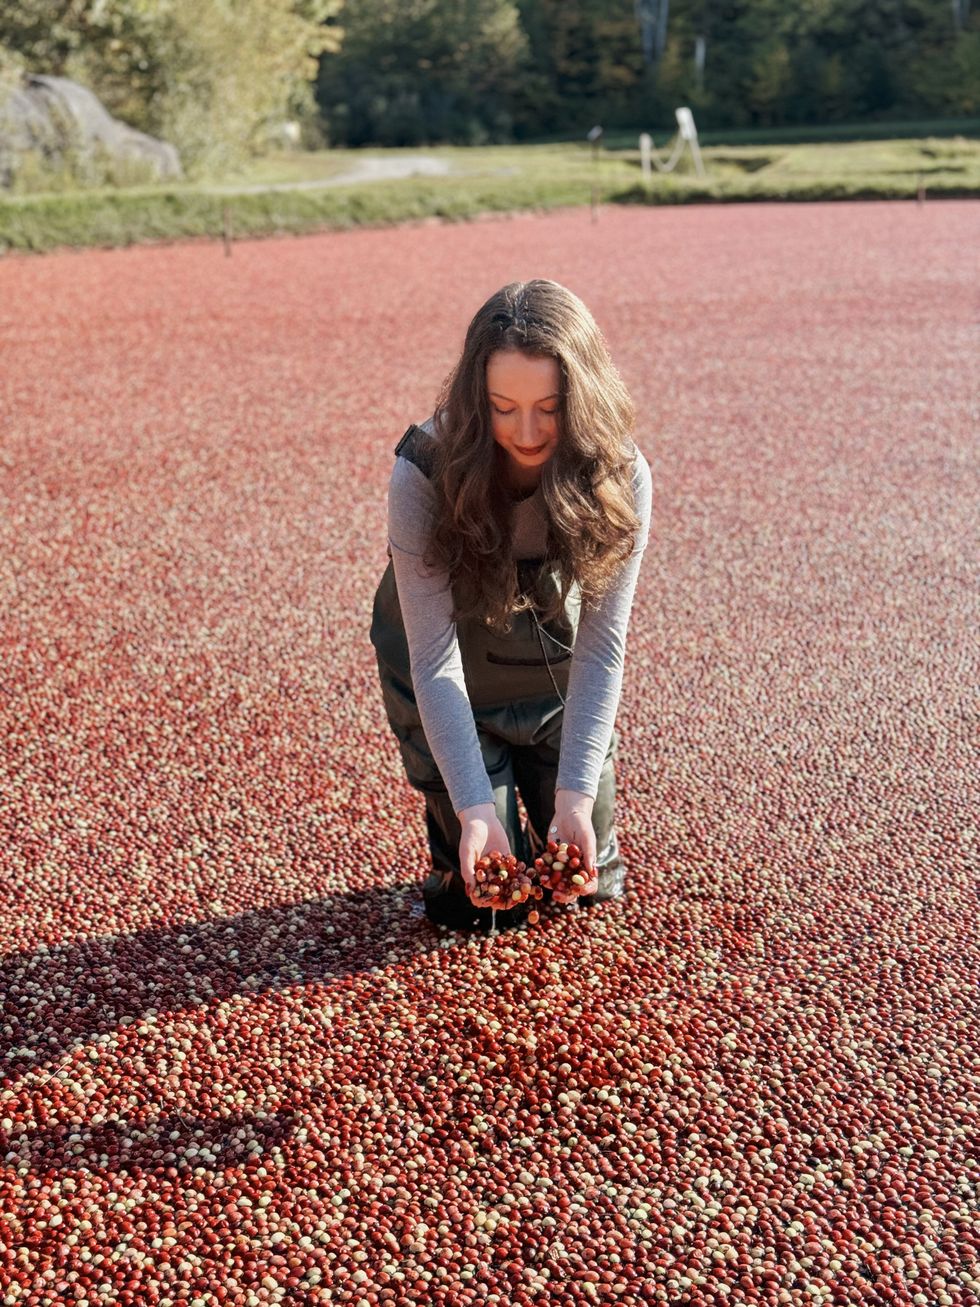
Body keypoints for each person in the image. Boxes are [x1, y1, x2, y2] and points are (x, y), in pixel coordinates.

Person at [370, 279, 652, 930]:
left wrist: (577, 796)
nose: (526, 432)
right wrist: (473, 810)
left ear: (581, 399)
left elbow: (602, 648)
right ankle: (461, 835)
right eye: (503, 407)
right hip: (446, 669)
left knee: (585, 879)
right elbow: (433, 659)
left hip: (552, 664)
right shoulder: (425, 470)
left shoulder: (621, 473)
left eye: (549, 408)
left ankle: (563, 797)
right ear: (475, 400)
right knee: (482, 906)